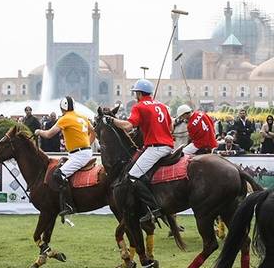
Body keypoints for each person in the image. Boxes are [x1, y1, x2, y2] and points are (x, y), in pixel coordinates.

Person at [106, 79, 173, 225]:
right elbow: (171, 126)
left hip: (156, 148)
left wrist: (112, 121)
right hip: (169, 146)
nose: (135, 96)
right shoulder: (161, 105)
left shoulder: (139, 106)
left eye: (136, 93)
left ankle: (154, 208)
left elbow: (128, 126)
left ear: (139, 93)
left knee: (132, 176)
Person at [35, 96, 95, 220]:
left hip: (78, 155)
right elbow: (94, 132)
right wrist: (87, 144)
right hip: (84, 152)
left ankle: (69, 205)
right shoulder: (83, 117)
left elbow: (49, 134)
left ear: (62, 107)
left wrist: (38, 132)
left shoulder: (65, 118)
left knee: (58, 175)